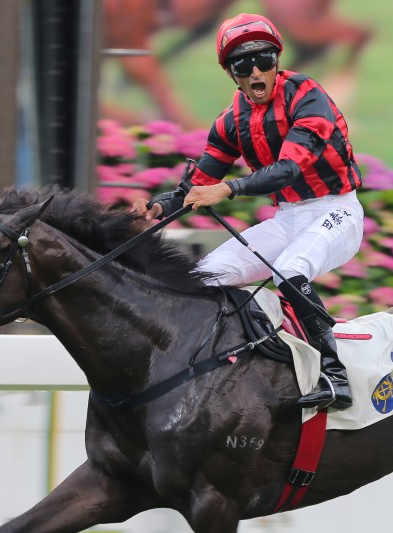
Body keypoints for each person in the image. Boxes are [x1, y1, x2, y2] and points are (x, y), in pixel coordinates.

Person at [132, 12, 363, 411]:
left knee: (289, 271)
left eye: (264, 60)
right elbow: (196, 187)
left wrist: (228, 189)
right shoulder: (230, 121)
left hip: (337, 210)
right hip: (289, 217)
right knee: (203, 278)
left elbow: (289, 168)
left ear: (276, 62)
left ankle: (336, 375)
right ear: (231, 74)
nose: (256, 71)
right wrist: (156, 207)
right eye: (243, 64)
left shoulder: (308, 95)